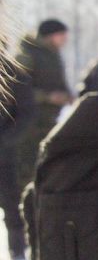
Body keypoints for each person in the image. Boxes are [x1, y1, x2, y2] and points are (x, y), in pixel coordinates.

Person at [14, 19, 72, 190]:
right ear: (50, 35)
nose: (64, 40)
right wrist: (48, 97)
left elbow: (56, 81)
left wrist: (66, 95)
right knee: (26, 170)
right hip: (28, 123)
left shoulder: (53, 55)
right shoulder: (27, 55)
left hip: (46, 121)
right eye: (61, 35)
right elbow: (17, 90)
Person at [0, 50, 35, 260]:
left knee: (10, 199)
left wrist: (7, 139)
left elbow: (26, 110)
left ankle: (17, 248)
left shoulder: (12, 71)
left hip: (4, 150)